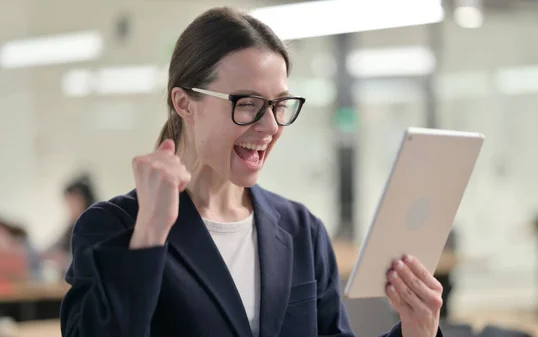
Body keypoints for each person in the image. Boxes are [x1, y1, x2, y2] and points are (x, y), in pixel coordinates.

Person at [60, 7, 444, 337]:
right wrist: (151, 234)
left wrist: (415, 329)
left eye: (279, 105)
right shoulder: (114, 228)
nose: (272, 126)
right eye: (248, 104)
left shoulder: (301, 231)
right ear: (185, 103)